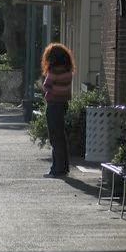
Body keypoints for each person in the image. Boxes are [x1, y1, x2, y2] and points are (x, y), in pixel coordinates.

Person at [41, 43, 75, 178]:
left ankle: (57, 169)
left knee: (55, 138)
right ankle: (64, 167)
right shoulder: (68, 70)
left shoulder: (53, 70)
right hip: (63, 103)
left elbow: (47, 86)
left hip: (53, 104)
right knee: (62, 137)